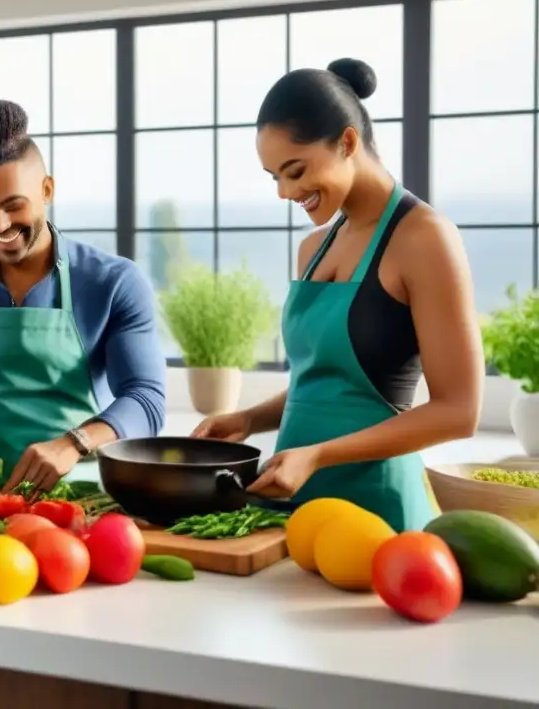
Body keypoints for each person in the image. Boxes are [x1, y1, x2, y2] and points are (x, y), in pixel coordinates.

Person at [193, 58, 485, 532]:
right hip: (291, 505)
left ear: (347, 142)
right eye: (275, 177)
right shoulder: (313, 247)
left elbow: (459, 412)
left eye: (296, 170)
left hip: (378, 513)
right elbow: (328, 382)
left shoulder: (425, 239)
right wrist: (250, 418)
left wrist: (321, 455)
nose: (286, 192)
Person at [0, 99, 166, 493]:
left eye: (13, 206)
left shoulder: (113, 282)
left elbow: (146, 400)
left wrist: (73, 444)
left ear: (47, 189)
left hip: (84, 503)